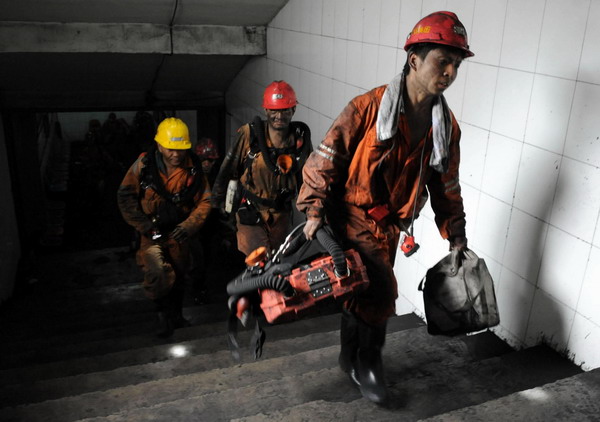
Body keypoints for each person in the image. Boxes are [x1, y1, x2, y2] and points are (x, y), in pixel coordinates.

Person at [296, 11, 472, 404]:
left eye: (456, 64)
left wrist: (455, 233)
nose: (449, 72)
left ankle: (349, 356)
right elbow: (328, 155)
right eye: (441, 61)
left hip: (391, 226)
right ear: (414, 60)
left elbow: (446, 185)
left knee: (359, 288)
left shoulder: (445, 127)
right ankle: (369, 363)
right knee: (380, 291)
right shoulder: (369, 107)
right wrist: (313, 209)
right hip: (352, 216)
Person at [117, 117, 211, 337]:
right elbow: (125, 196)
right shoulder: (144, 166)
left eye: (180, 149)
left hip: (179, 234)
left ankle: (176, 316)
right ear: (159, 145)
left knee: (179, 276)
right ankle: (162, 315)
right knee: (157, 273)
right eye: (170, 149)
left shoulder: (193, 170)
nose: (176, 155)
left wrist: (189, 226)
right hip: (152, 234)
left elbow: (205, 201)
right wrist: (144, 226)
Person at [212, 81, 312, 257]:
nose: (279, 116)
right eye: (274, 110)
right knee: (259, 260)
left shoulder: (299, 140)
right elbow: (228, 167)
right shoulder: (250, 135)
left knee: (277, 262)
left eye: (284, 110)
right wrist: (218, 203)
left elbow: (309, 177)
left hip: (281, 215)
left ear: (293, 111)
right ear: (266, 110)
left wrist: (313, 212)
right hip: (251, 210)